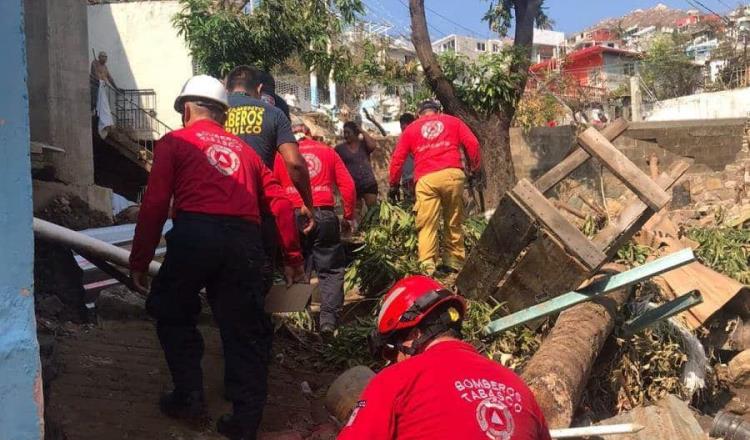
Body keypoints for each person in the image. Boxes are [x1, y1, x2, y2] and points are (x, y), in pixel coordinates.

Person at [129, 75, 305, 440]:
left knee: (172, 311)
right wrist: (293, 258)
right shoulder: (247, 154)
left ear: (187, 109)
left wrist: (140, 259)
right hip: (244, 242)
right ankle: (245, 421)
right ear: (223, 115)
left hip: (194, 234)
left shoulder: (173, 142)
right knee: (245, 330)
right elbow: (281, 206)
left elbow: (156, 203)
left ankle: (189, 397)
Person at [338, 275, 551, 440]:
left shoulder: (395, 380)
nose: (393, 361)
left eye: (393, 351)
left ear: (414, 334)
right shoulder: (518, 386)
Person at [224, 65, 315, 291]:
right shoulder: (274, 114)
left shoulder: (215, 113)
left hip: (215, 209)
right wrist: (307, 202)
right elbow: (294, 163)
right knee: (259, 280)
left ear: (227, 87)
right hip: (258, 210)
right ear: (260, 88)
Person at [273, 123, 356, 335]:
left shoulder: (280, 155)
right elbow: (348, 186)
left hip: (293, 216)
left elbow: (272, 188)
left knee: (297, 266)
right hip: (324, 214)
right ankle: (328, 321)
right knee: (330, 271)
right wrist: (348, 217)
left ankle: (299, 322)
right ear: (310, 134)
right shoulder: (327, 151)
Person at [389, 100, 481, 274]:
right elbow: (473, 144)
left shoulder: (411, 129)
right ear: (438, 111)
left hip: (426, 179)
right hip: (452, 175)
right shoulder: (453, 121)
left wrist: (393, 184)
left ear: (419, 114)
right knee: (453, 220)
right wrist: (475, 169)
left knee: (427, 224)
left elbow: (397, 159)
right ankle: (453, 262)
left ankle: (427, 266)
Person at [335, 121, 379, 216]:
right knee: (355, 214)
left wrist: (362, 131)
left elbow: (373, 146)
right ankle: (359, 230)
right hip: (353, 185)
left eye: (348, 132)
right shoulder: (340, 149)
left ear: (356, 133)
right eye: (344, 132)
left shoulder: (364, 144)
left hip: (368, 183)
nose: (346, 135)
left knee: (373, 211)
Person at [397, 113, 416, 203]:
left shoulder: (417, 138)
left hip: (418, 180)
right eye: (402, 128)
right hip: (407, 181)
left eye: (404, 128)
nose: (403, 131)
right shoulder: (401, 140)